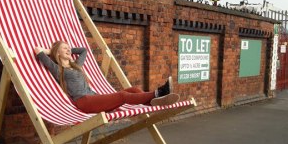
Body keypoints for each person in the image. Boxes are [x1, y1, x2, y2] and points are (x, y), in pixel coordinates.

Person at [34, 41, 180, 113]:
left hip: (94, 98)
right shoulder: (57, 69)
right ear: (57, 52)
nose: (69, 49)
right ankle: (159, 93)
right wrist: (51, 51)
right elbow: (37, 51)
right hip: (84, 102)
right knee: (123, 95)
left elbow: (84, 50)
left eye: (69, 47)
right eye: (64, 48)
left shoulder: (76, 65)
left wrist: (67, 51)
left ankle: (153, 102)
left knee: (134, 89)